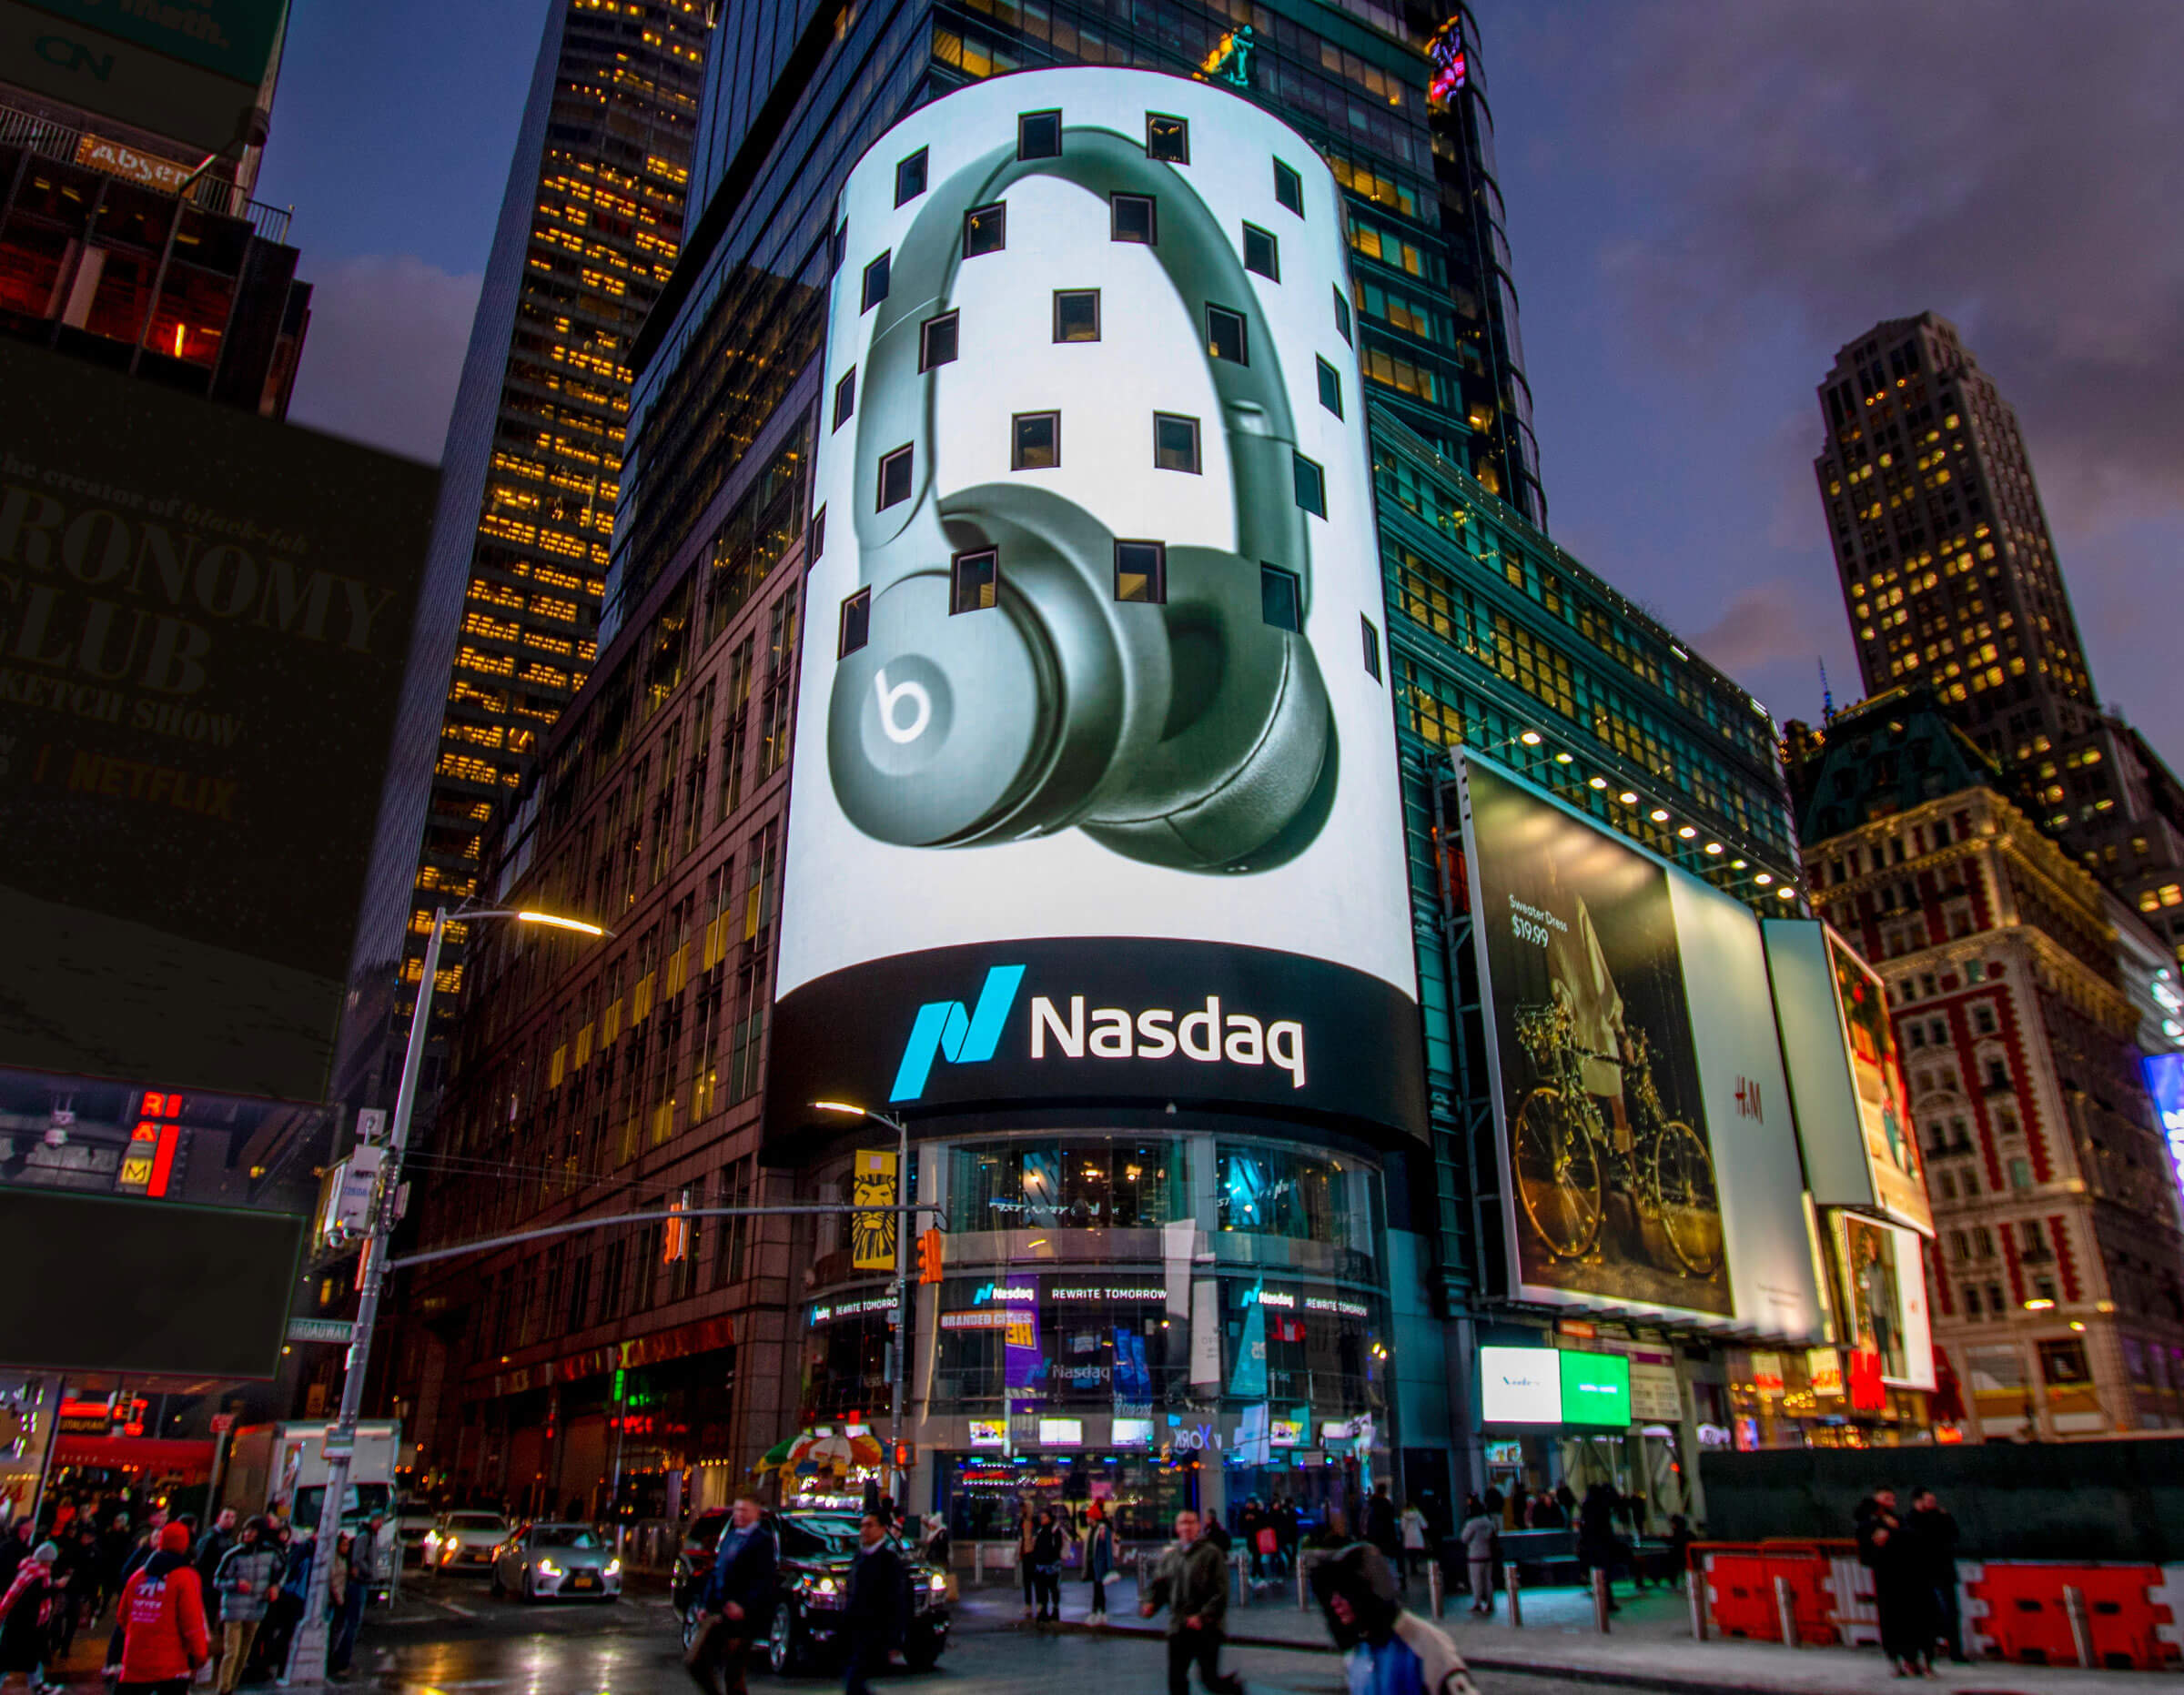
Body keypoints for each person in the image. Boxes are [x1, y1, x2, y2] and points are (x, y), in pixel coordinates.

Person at [1313, 1542, 1481, 1695]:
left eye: (1344, 1592)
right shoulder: (1356, 1654)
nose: (1335, 1603)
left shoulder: (1425, 1645)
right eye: (1330, 1594)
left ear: (1368, 1591)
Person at [1140, 1509, 1240, 1695]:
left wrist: (1203, 1616)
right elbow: (1159, 1587)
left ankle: (1235, 1690)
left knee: (1209, 1679)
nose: (1186, 1527)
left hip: (1207, 1628)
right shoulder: (1171, 1558)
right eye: (1182, 1523)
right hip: (1179, 1626)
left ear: (1198, 1526)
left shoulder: (1211, 1554)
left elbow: (1221, 1592)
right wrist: (1150, 1603)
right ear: (1177, 1528)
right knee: (1176, 1679)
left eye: (1190, 1522)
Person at [687, 1494, 777, 1695]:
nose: (738, 1515)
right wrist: (705, 1604)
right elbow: (717, 1572)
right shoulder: (731, 1537)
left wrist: (744, 1606)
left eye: (744, 1510)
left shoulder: (762, 1541)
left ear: (755, 1513)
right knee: (695, 1661)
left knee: (733, 1673)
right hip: (719, 1610)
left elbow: (764, 1581)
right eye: (736, 1510)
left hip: (743, 1619)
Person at [117, 1523, 208, 1695]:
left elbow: (122, 1617)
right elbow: (192, 1622)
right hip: (171, 1665)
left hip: (135, 1661)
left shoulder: (138, 1576)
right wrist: (200, 1655)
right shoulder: (185, 1577)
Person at [1855, 1488, 1931, 1679]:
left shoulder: (1900, 1521)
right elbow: (1865, 1556)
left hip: (1907, 1578)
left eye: (1892, 1499)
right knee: (1891, 1621)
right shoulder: (1866, 1526)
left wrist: (1893, 1532)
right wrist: (1879, 1543)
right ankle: (1897, 1660)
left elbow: (1915, 1539)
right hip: (1886, 1579)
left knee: (1910, 1620)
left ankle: (1911, 1659)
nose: (1890, 1503)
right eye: (1886, 1499)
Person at [210, 1518, 283, 1695]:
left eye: (253, 1530)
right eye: (246, 1530)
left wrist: (274, 1585)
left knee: (244, 1651)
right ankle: (224, 1688)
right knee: (232, 1651)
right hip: (234, 1608)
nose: (248, 1534)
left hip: (256, 1608)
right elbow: (218, 1580)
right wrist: (236, 1583)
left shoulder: (272, 1553)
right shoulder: (233, 1554)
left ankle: (232, 1686)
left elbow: (280, 1570)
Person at [1901, 1489, 1965, 1665]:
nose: (1933, 1504)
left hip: (1943, 1571)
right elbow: (1921, 1540)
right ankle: (1928, 1649)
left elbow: (1953, 1535)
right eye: (1929, 1500)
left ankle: (1955, 1650)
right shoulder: (1911, 1520)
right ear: (1918, 1501)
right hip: (1924, 1573)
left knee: (1951, 1612)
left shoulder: (1941, 1517)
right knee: (1927, 1613)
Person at [841, 1514, 902, 1695]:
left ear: (882, 1529)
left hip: (874, 1632)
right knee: (854, 1683)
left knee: (854, 1683)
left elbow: (896, 1601)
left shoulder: (889, 1561)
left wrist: (894, 1640)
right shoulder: (860, 1557)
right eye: (862, 1526)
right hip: (854, 1630)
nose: (864, 1530)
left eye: (870, 1525)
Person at [0, 1541, 62, 1695]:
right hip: (24, 1625)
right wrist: (55, 1588)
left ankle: (38, 1685)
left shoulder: (29, 1569)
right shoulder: (38, 1576)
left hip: (22, 1623)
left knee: (30, 1656)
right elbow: (33, 1598)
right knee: (9, 1659)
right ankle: (38, 1686)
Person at [1575, 1485, 1631, 1609]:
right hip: (1602, 1545)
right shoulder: (1601, 1507)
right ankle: (1607, 1602)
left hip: (1594, 1545)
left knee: (1600, 1575)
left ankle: (1603, 1602)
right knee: (1605, 1575)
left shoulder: (1588, 1507)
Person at [1457, 1498, 1497, 1617]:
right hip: (1488, 1554)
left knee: (1476, 1581)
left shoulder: (1472, 1523)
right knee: (1488, 1580)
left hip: (1475, 1555)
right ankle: (1490, 1603)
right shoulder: (1489, 1521)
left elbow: (1464, 1538)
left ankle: (1477, 1603)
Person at [1028, 1508, 1064, 1622]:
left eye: (1044, 1517)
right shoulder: (1040, 1531)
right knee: (1042, 1589)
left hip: (1051, 1565)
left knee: (1053, 1588)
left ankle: (1054, 1610)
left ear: (1049, 1518)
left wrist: (1050, 1557)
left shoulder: (1054, 1531)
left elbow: (1057, 1546)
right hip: (1041, 1565)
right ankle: (1044, 1610)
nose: (1042, 1520)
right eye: (1041, 1517)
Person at [1084, 1502, 1116, 1623]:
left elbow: (1108, 1548)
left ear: (1093, 1518)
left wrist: (1110, 1566)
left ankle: (1099, 1612)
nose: (1087, 1519)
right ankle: (1098, 1612)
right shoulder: (1091, 1530)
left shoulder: (1102, 1530)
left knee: (1099, 1589)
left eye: (1089, 1517)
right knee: (1097, 1588)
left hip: (1100, 1564)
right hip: (1093, 1564)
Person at [1364, 1486, 1400, 1579]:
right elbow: (1390, 1522)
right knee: (1388, 1562)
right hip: (1386, 1538)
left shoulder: (1370, 1504)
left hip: (1373, 1537)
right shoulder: (1386, 1504)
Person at [1399, 1500, 1429, 1585]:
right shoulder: (1418, 1514)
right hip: (1417, 1535)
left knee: (1411, 1554)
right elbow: (1424, 1525)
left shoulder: (1404, 1516)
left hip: (1408, 1536)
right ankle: (1417, 1567)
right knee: (1417, 1552)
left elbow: (1403, 1528)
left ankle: (1413, 1569)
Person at [1017, 1501, 1039, 1620]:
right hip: (1025, 1554)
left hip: (1032, 1554)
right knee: (1027, 1580)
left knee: (1034, 1580)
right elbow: (1020, 1538)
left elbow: (1035, 1538)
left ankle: (1038, 1604)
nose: (1023, 1511)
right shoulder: (1022, 1522)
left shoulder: (1034, 1522)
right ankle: (1028, 1604)